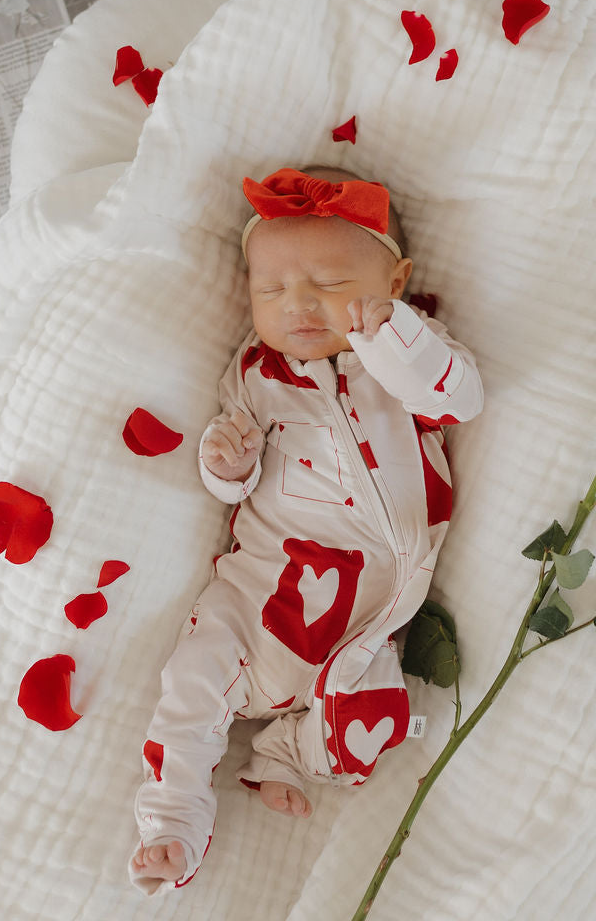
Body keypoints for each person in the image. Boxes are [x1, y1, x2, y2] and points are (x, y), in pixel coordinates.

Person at [130, 165, 483, 894]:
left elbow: (459, 399)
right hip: (263, 597)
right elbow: (232, 476)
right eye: (272, 289)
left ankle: (290, 749)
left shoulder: (401, 360)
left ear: (397, 278)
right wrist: (226, 462)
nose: (297, 305)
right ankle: (173, 817)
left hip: (366, 614)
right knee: (191, 679)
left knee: (378, 723)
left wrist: (396, 337)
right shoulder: (255, 374)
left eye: (326, 283)